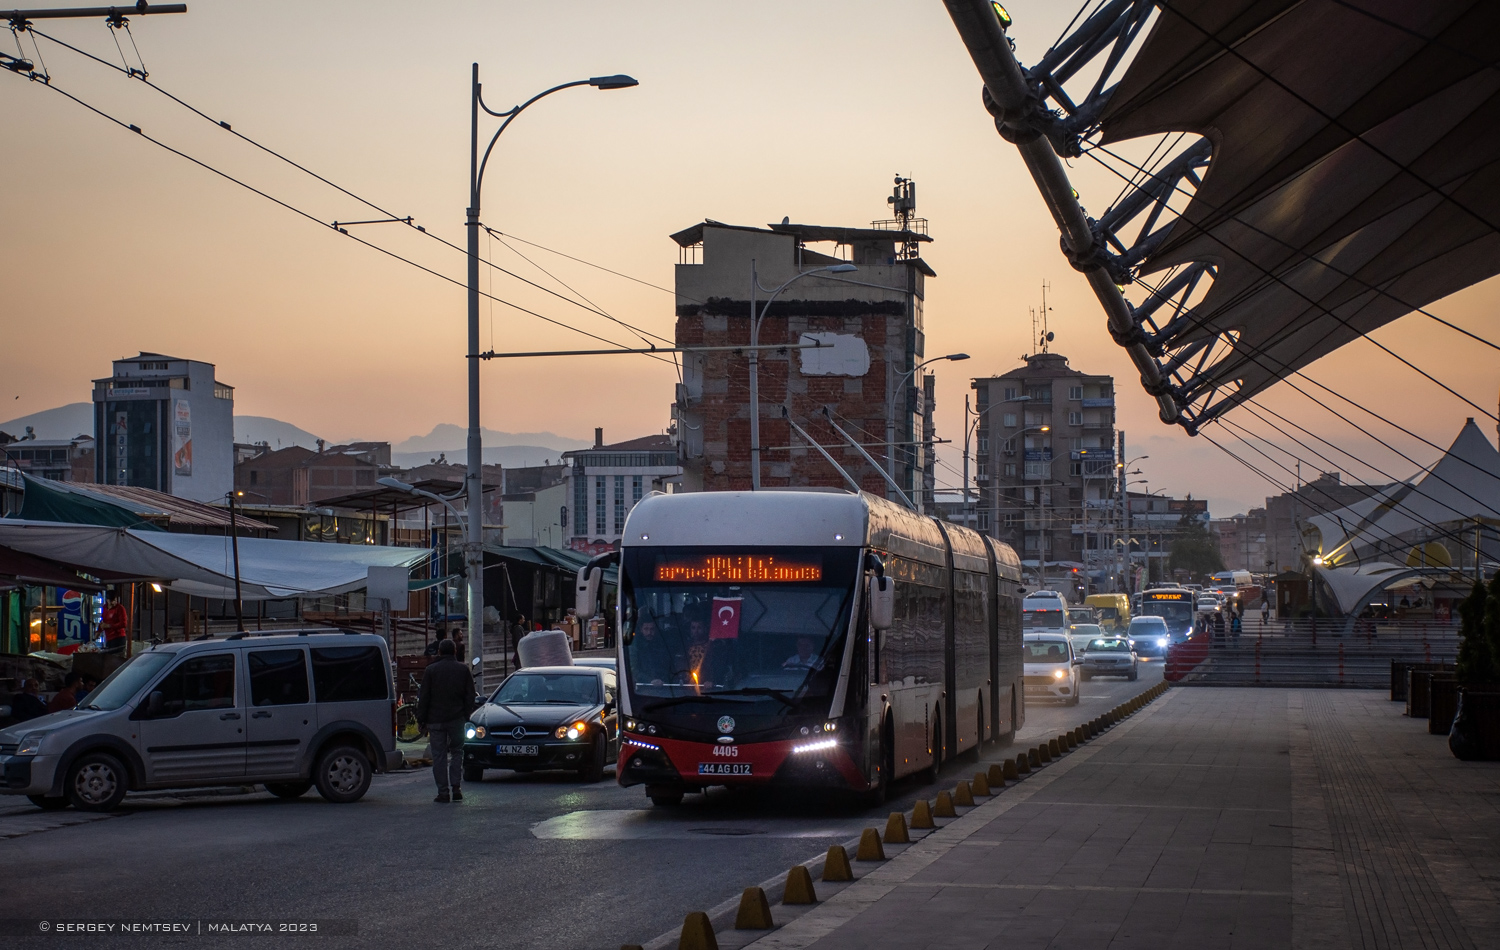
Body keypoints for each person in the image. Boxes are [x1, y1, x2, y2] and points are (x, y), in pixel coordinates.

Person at [416, 639, 476, 804]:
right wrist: (466, 715)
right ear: (455, 651)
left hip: (435, 720)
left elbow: (424, 697)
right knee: (457, 752)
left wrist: (421, 719)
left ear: (440, 652)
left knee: (439, 756)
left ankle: (443, 792)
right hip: (457, 719)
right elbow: (470, 695)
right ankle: (456, 788)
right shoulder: (463, 670)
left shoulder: (431, 670)